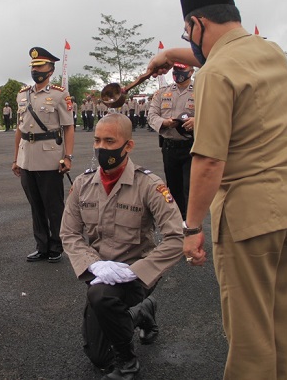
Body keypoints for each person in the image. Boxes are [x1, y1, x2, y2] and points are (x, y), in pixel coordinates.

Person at [148, 0, 287, 380]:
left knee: (249, 336)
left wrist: (190, 228)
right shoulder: (270, 52)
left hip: (249, 217)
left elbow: (207, 162)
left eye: (188, 32)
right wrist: (169, 54)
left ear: (198, 23)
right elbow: (217, 57)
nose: (190, 41)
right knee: (283, 325)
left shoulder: (213, 75)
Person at [61, 114, 183, 380]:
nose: (102, 148)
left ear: (128, 146)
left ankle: (128, 362)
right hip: (99, 273)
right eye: (97, 140)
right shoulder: (83, 184)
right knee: (99, 357)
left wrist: (135, 271)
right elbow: (69, 233)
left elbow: (176, 238)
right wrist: (94, 264)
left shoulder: (149, 186)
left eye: (109, 141)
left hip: (137, 275)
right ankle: (142, 312)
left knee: (101, 298)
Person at [12, 46, 75, 263]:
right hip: (26, 157)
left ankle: (57, 246)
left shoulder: (59, 95)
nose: (36, 70)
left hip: (50, 157)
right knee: (36, 206)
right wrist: (15, 159)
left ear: (51, 70)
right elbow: (19, 129)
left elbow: (68, 127)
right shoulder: (22, 95)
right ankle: (42, 246)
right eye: (33, 66)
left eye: (40, 66)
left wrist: (68, 157)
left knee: (54, 206)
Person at [147, 62, 195, 221]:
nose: (178, 73)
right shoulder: (162, 92)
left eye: (182, 69)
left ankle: (192, 225)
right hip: (170, 148)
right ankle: (178, 224)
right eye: (176, 70)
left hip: (192, 147)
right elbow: (152, 115)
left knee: (190, 189)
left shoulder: (201, 91)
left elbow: (213, 112)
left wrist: (197, 120)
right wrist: (164, 122)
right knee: (174, 189)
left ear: (191, 71)